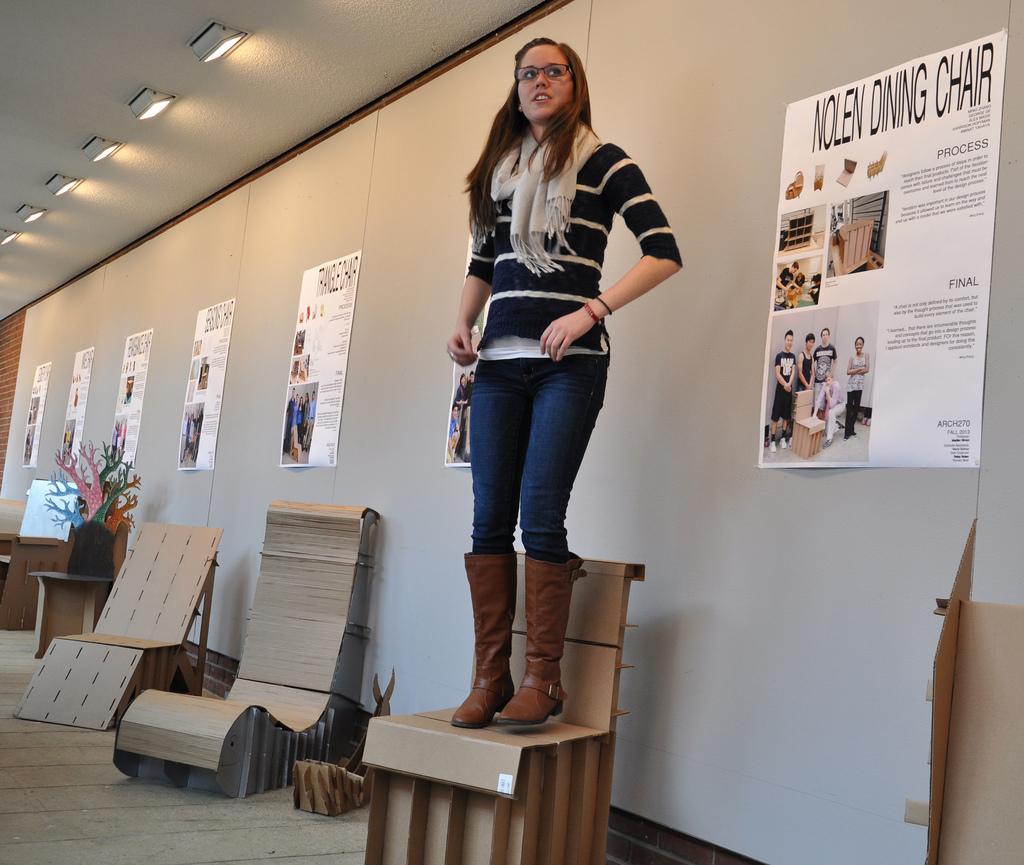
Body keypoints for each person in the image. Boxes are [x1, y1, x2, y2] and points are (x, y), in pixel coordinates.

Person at [446, 37, 681, 728]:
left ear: (574, 85)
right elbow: (484, 259)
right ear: (516, 89)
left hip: (568, 367)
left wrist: (592, 310)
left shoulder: (605, 162)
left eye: (556, 71)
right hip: (497, 365)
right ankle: (492, 676)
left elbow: (663, 250)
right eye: (530, 73)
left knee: (539, 512)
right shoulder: (502, 169)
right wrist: (463, 321)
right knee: (489, 517)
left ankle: (544, 680)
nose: (541, 81)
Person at [770, 330, 796, 452]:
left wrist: (789, 384)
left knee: (786, 417)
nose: (789, 342)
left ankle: (783, 439)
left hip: (788, 391)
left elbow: (793, 372)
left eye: (791, 340)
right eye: (788, 340)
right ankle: (772, 441)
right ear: (784, 340)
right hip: (780, 392)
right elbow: (777, 373)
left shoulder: (793, 357)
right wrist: (785, 385)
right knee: (775, 417)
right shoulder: (779, 356)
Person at [845, 337, 870, 439]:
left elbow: (867, 369)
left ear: (862, 345)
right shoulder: (852, 357)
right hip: (851, 386)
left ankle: (852, 430)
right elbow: (848, 372)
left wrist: (854, 370)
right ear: (855, 345)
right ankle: (847, 432)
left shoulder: (866, 355)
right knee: (850, 408)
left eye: (860, 344)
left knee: (856, 409)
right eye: (857, 344)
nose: (858, 346)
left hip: (859, 386)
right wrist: (860, 369)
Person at [815, 370, 845, 446]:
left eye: (829, 379)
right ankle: (837, 425)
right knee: (826, 430)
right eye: (826, 380)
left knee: (831, 412)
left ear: (832, 378)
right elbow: (819, 399)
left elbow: (832, 405)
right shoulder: (825, 385)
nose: (828, 382)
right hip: (831, 403)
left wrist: (827, 392)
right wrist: (814, 414)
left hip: (840, 405)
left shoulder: (836, 386)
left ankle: (829, 440)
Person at [812, 327, 837, 408]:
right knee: (817, 402)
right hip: (818, 380)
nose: (825, 336)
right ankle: (817, 419)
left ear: (829, 336)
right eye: (823, 335)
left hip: (826, 381)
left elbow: (835, 361)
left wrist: (832, 373)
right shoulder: (817, 349)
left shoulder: (832, 348)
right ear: (821, 336)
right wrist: (814, 372)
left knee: (824, 404)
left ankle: (822, 420)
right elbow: (813, 362)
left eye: (826, 334)